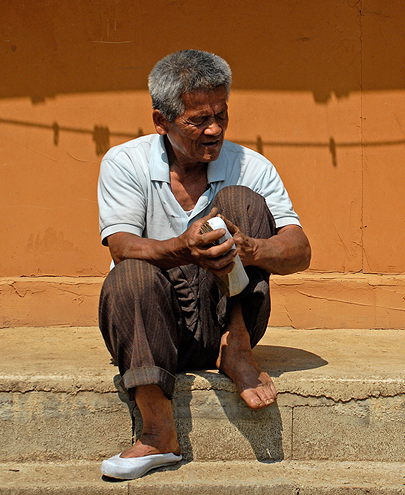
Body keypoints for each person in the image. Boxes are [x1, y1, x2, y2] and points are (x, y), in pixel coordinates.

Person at [96, 49, 311, 480]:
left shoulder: (251, 165)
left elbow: (299, 250)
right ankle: (159, 434)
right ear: (162, 121)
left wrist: (248, 248)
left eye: (221, 115)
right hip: (158, 327)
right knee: (129, 272)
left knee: (240, 202)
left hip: (228, 317)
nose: (214, 129)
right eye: (198, 121)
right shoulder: (125, 161)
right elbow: (120, 244)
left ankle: (237, 349)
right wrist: (181, 248)